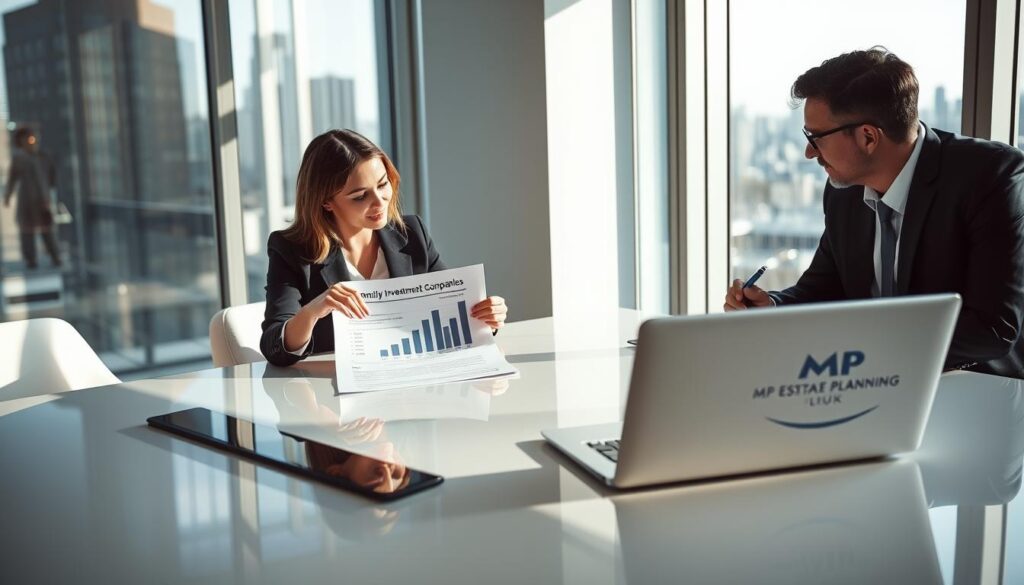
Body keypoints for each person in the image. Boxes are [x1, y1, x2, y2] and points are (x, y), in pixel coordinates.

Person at [723, 48, 1024, 379]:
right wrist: (772, 307)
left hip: (974, 389)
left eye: (816, 137)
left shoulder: (990, 177)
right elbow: (824, 288)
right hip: (874, 388)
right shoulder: (842, 191)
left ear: (868, 137)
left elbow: (993, 329)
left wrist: (863, 349)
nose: (809, 152)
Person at [260, 129, 508, 367]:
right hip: (333, 397)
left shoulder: (411, 233)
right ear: (326, 202)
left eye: (382, 184)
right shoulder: (292, 250)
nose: (380, 202)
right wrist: (315, 309)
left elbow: (450, 309)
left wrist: (486, 316)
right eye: (360, 196)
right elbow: (274, 346)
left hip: (413, 386)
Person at [3, 127, 61, 269]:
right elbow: (11, 180)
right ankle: (31, 260)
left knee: (47, 231)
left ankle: (55, 257)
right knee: (27, 232)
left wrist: (51, 196)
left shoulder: (44, 157)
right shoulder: (19, 159)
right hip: (27, 201)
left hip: (43, 200)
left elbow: (52, 178)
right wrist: (7, 196)